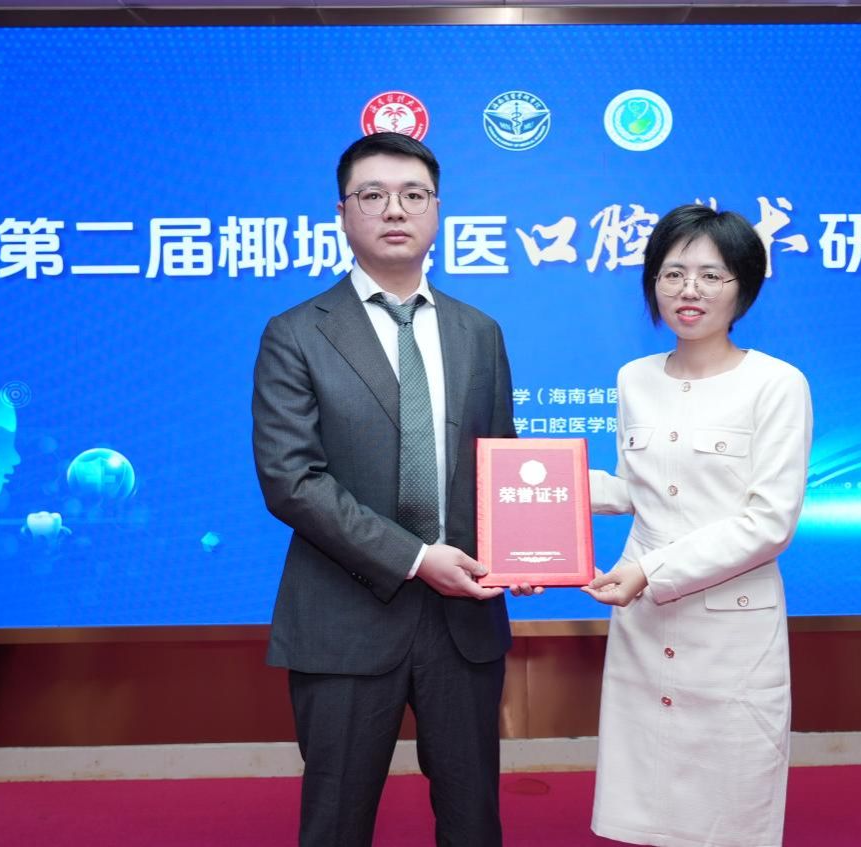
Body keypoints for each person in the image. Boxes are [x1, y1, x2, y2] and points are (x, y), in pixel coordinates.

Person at [252, 132, 532, 847]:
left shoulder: (480, 332)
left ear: (438, 210)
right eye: (372, 195)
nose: (395, 210)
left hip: (464, 620)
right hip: (344, 619)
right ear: (342, 213)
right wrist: (414, 558)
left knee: (474, 823)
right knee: (336, 823)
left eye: (414, 195)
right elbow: (291, 480)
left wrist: (522, 549)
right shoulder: (295, 333)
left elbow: (500, 461)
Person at [583, 204, 813, 847]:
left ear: (743, 286)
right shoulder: (635, 379)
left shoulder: (777, 383)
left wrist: (650, 571)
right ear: (653, 282)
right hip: (643, 619)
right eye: (673, 273)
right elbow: (638, 488)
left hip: (731, 625)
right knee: (647, 798)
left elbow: (769, 522)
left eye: (712, 275)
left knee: (728, 802)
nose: (690, 290)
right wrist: (539, 485)